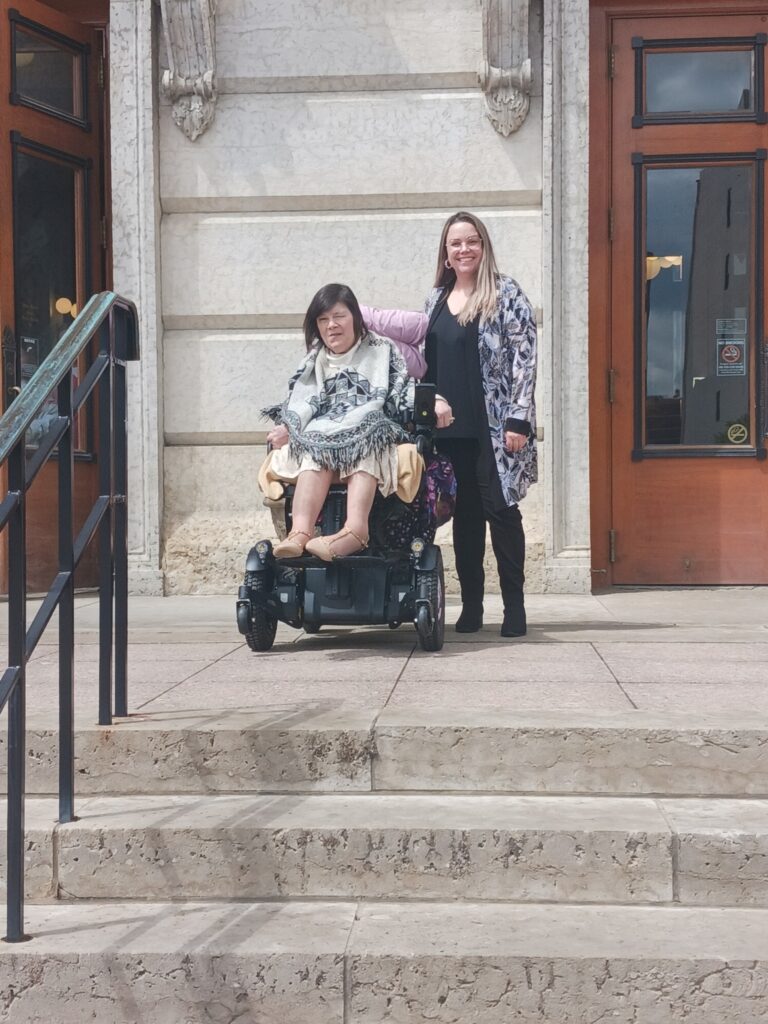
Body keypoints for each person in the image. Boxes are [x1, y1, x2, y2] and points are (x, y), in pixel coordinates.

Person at [361, 211, 537, 637]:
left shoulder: (506, 292)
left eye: (472, 241)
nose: (464, 250)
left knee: (502, 513)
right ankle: (472, 606)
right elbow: (416, 355)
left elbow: (525, 359)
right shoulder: (434, 298)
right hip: (446, 431)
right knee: (464, 518)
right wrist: (356, 314)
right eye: (456, 243)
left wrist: (520, 419)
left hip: (495, 428)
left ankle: (515, 608)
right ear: (445, 251)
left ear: (484, 245)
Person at [262, 283, 413, 560]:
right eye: (323, 319)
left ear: (354, 316)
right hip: (323, 435)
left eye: (339, 316)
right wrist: (288, 428)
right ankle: (300, 532)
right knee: (313, 450)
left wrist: (436, 401)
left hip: (366, 431)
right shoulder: (312, 362)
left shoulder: (381, 350)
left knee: (366, 441)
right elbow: (298, 403)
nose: (331, 325)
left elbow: (403, 387)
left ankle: (356, 531)